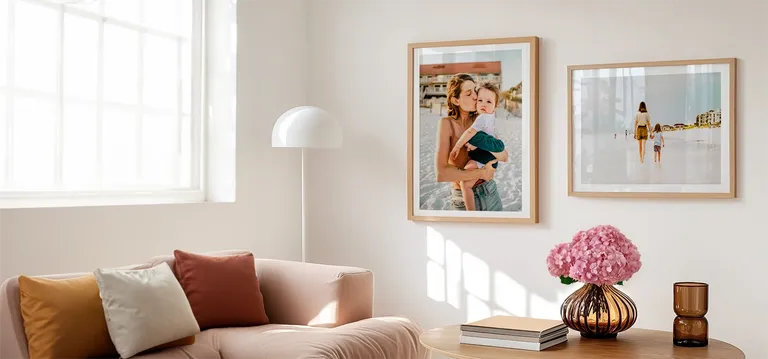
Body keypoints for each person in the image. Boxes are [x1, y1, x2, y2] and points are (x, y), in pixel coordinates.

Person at [434, 74, 508, 211]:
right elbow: (441, 174)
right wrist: (480, 173)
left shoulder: (481, 119)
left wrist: (480, 142)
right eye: (469, 93)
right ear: (456, 100)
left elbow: (504, 156)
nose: (475, 96)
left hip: (490, 192)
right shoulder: (447, 124)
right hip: (463, 200)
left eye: (475, 90)